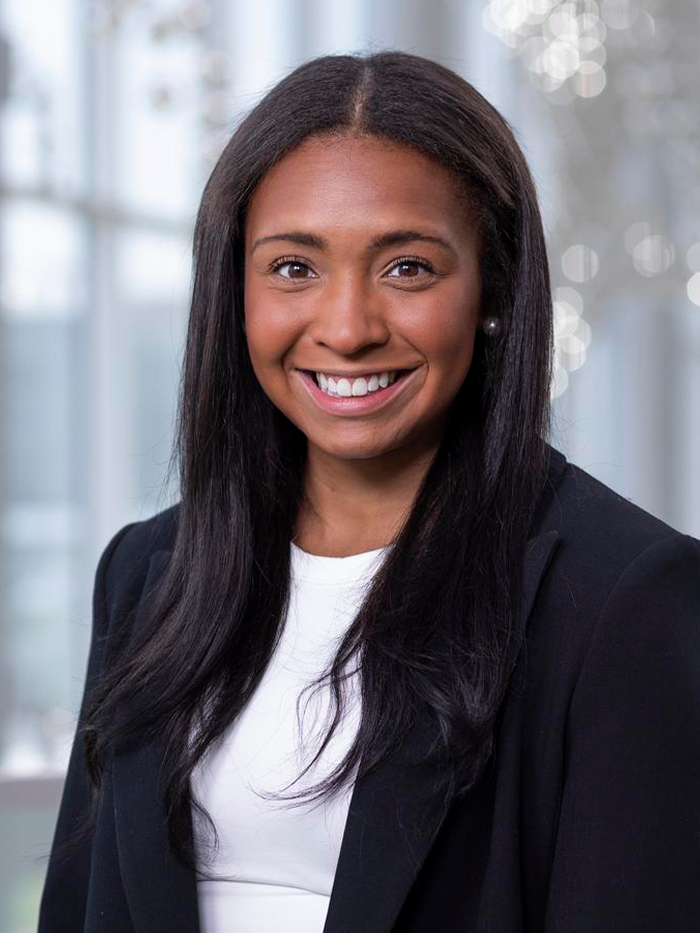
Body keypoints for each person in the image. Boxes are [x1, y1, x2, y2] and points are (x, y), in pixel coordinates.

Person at [38, 50, 700, 933]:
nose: (346, 329)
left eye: (408, 268)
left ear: (493, 289)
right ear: (236, 291)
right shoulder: (146, 573)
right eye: (293, 268)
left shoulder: (628, 599)